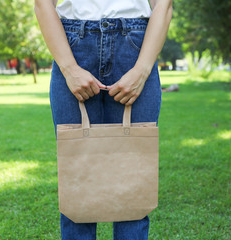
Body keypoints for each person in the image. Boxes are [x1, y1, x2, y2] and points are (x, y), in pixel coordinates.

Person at [35, 0, 173, 239]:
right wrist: (69, 68)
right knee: (77, 182)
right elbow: (42, 3)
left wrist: (141, 70)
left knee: (134, 186)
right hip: (72, 46)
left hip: (136, 46)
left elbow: (164, 4)